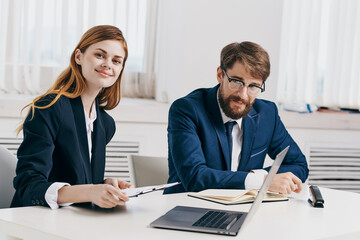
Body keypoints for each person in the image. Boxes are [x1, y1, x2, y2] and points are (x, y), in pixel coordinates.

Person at [11, 25, 132, 209]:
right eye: (100, 55)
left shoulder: (105, 123)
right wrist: (91, 191)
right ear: (78, 57)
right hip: (35, 221)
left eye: (116, 61)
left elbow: (77, 178)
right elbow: (29, 187)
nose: (108, 64)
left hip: (74, 221)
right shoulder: (49, 108)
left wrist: (104, 185)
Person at [164, 41, 309, 195]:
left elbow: (299, 164)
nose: (243, 95)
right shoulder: (187, 110)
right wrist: (262, 181)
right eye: (236, 82)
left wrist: (257, 177)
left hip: (242, 209)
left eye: (253, 86)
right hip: (187, 209)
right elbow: (194, 177)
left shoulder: (267, 113)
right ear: (220, 75)